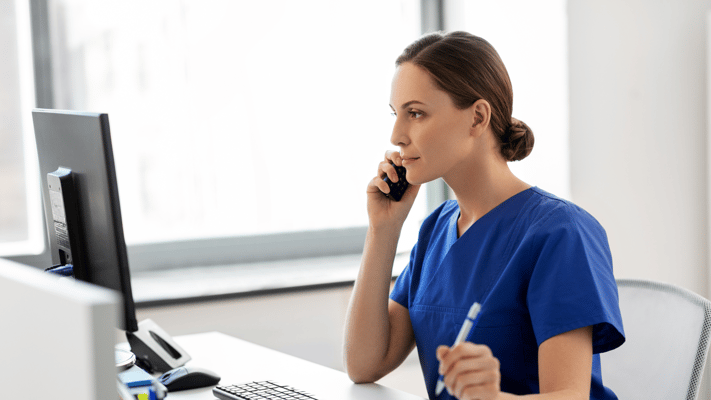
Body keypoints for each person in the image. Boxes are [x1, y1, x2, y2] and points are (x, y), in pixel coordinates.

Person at [343, 31, 625, 400]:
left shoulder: (561, 233)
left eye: (415, 113)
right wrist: (383, 228)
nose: (397, 134)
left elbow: (570, 394)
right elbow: (364, 364)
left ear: (477, 117)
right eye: (397, 115)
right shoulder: (436, 230)